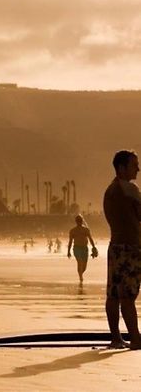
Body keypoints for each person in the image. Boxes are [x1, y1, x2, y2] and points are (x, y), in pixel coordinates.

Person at [103, 150, 141, 349]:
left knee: (114, 294)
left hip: (115, 245)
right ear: (121, 168)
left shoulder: (110, 190)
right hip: (130, 248)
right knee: (128, 295)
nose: (138, 169)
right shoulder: (130, 190)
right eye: (134, 164)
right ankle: (136, 339)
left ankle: (116, 338)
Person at [67, 214, 98, 284]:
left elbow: (90, 239)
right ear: (76, 221)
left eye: (80, 220)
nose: (79, 222)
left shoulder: (86, 230)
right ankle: (80, 277)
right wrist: (68, 251)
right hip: (76, 248)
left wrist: (94, 247)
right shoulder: (72, 231)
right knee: (80, 262)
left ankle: (80, 274)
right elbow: (70, 241)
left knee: (84, 266)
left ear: (82, 221)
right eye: (78, 221)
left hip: (84, 248)